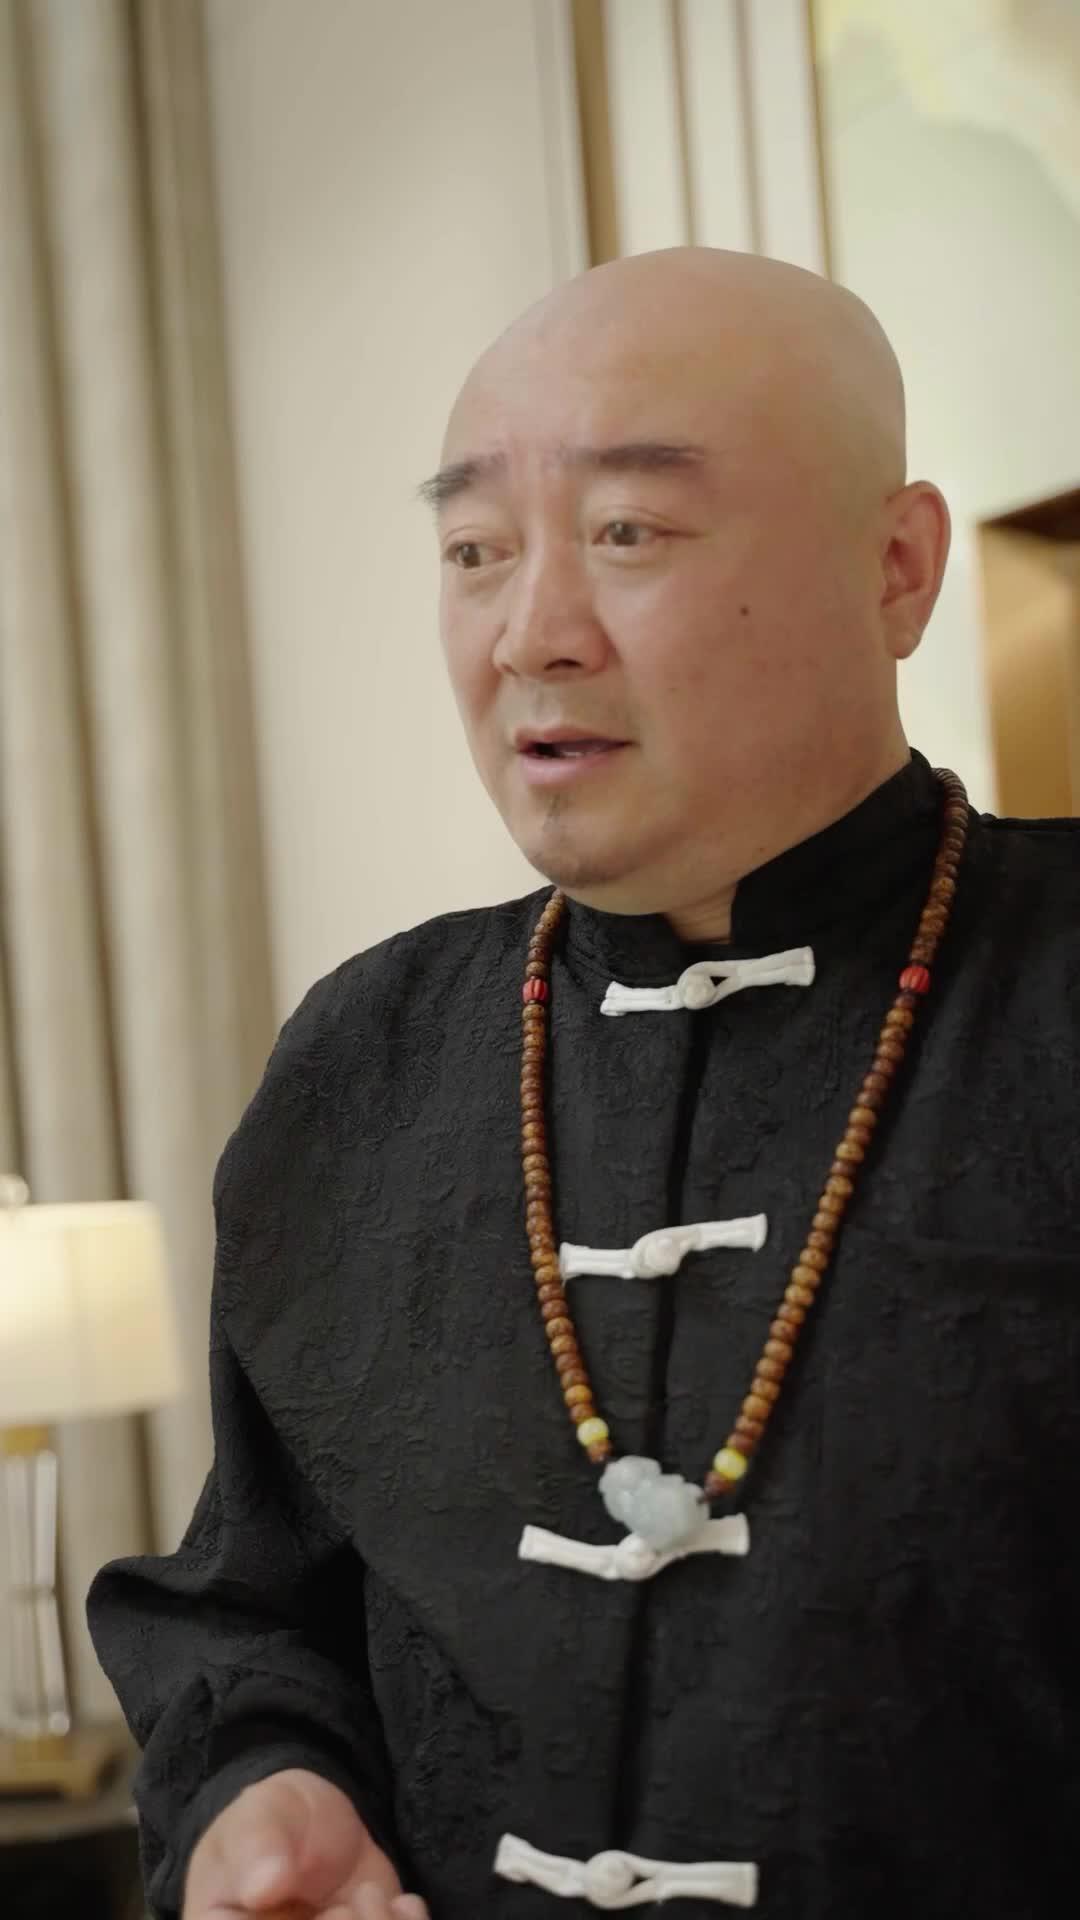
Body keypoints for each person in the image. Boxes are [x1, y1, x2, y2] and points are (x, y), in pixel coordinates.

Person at [88, 247, 1080, 1920]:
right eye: (476, 550)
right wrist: (263, 1786)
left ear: (897, 569)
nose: (528, 634)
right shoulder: (365, 1056)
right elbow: (254, 1602)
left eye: (628, 532)